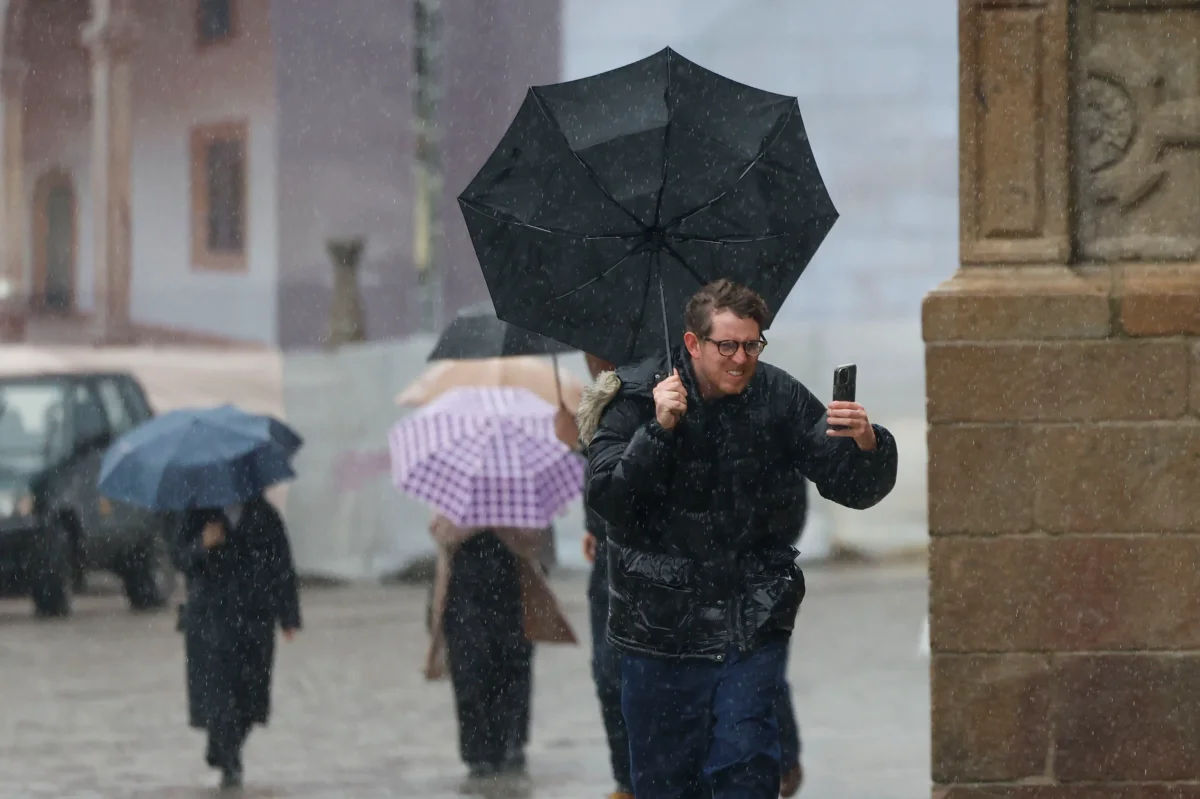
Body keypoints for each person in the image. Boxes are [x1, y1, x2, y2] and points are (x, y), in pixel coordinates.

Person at [580, 279, 897, 799]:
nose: (740, 359)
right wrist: (658, 430)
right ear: (693, 343)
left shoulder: (777, 393)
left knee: (745, 764)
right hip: (657, 628)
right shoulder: (633, 396)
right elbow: (611, 501)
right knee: (666, 780)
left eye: (752, 344)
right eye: (727, 346)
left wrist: (866, 443)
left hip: (748, 617)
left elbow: (850, 485)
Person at [424, 515, 576, 781]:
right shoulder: (454, 492)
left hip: (513, 590)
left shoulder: (523, 497)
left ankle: (512, 744)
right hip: (463, 594)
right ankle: (477, 755)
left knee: (513, 669)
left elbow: (541, 546)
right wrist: (474, 523)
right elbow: (439, 532)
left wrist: (506, 526)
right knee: (469, 671)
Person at [174, 495, 302, 790]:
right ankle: (230, 760)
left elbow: (282, 564)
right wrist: (201, 546)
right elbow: (179, 557)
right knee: (219, 695)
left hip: (255, 620)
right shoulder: (197, 511)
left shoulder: (265, 515)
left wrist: (289, 615)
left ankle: (223, 746)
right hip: (210, 620)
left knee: (251, 696)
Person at [579, 353, 635, 799]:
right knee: (607, 672)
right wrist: (591, 527)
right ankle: (627, 778)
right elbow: (599, 479)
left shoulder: (647, 394)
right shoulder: (597, 403)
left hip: (647, 557)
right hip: (607, 559)